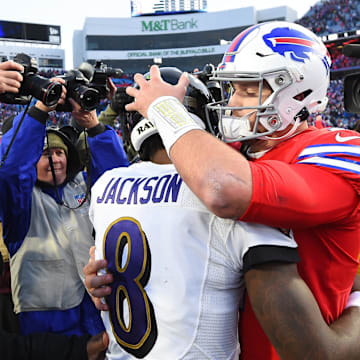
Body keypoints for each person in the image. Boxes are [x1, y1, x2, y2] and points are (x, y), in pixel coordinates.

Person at [85, 68, 360, 360]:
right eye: (233, 90)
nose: (233, 103)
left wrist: (104, 275)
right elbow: (315, 351)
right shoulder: (223, 191)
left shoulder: (106, 188)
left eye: (249, 90)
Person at [0, 73, 129, 337]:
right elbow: (11, 170)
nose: (56, 160)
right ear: (31, 160)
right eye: (46, 154)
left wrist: (92, 125)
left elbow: (118, 182)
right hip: (45, 319)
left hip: (94, 307)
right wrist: (39, 111)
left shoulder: (80, 186)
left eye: (59, 152)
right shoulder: (20, 204)